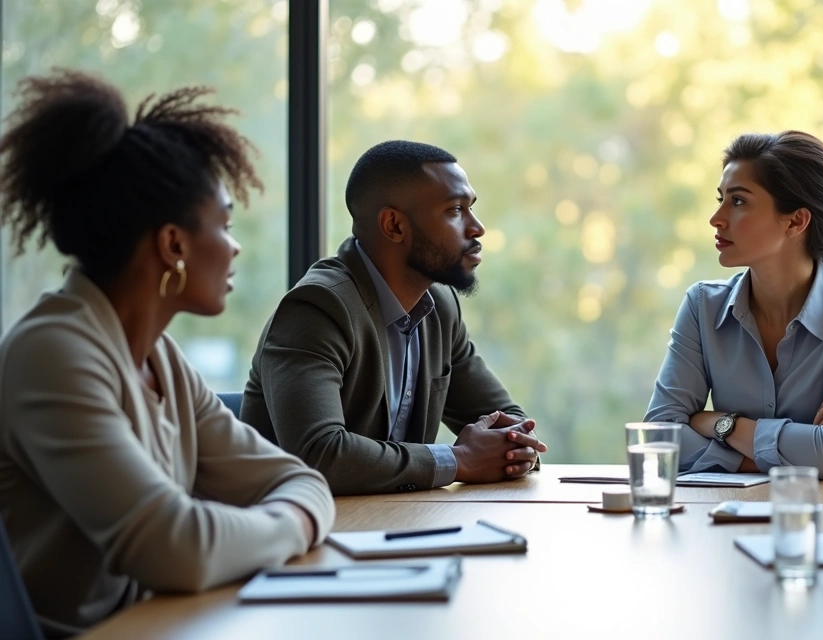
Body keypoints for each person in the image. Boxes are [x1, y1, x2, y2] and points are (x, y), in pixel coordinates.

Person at [0, 70, 335, 637]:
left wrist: (283, 514)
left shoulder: (162, 359)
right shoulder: (50, 354)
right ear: (173, 244)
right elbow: (176, 548)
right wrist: (294, 525)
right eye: (225, 224)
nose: (233, 248)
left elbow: (300, 480)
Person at [241, 140, 545, 496]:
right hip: (292, 538)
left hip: (393, 528)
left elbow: (512, 424)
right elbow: (320, 455)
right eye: (455, 210)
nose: (477, 228)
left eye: (471, 208)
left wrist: (514, 446)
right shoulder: (318, 308)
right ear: (394, 226)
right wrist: (459, 460)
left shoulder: (440, 305)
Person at [644, 131, 823, 479]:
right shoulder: (702, 306)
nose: (716, 218)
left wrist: (720, 423)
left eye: (738, 201)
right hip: (717, 520)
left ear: (795, 221)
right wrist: (797, 452)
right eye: (721, 199)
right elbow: (659, 436)